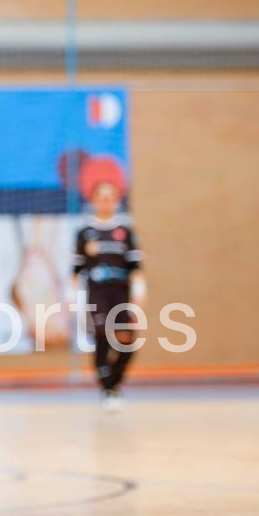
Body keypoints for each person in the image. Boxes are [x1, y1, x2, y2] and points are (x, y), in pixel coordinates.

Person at [70, 157, 146, 410]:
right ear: (93, 200)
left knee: (126, 341)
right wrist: (73, 299)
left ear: (117, 200)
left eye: (111, 196)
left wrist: (139, 295)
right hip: (97, 293)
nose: (106, 201)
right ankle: (107, 393)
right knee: (103, 339)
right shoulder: (85, 233)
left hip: (120, 293)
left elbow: (136, 269)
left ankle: (114, 384)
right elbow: (76, 269)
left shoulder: (126, 231)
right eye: (101, 197)